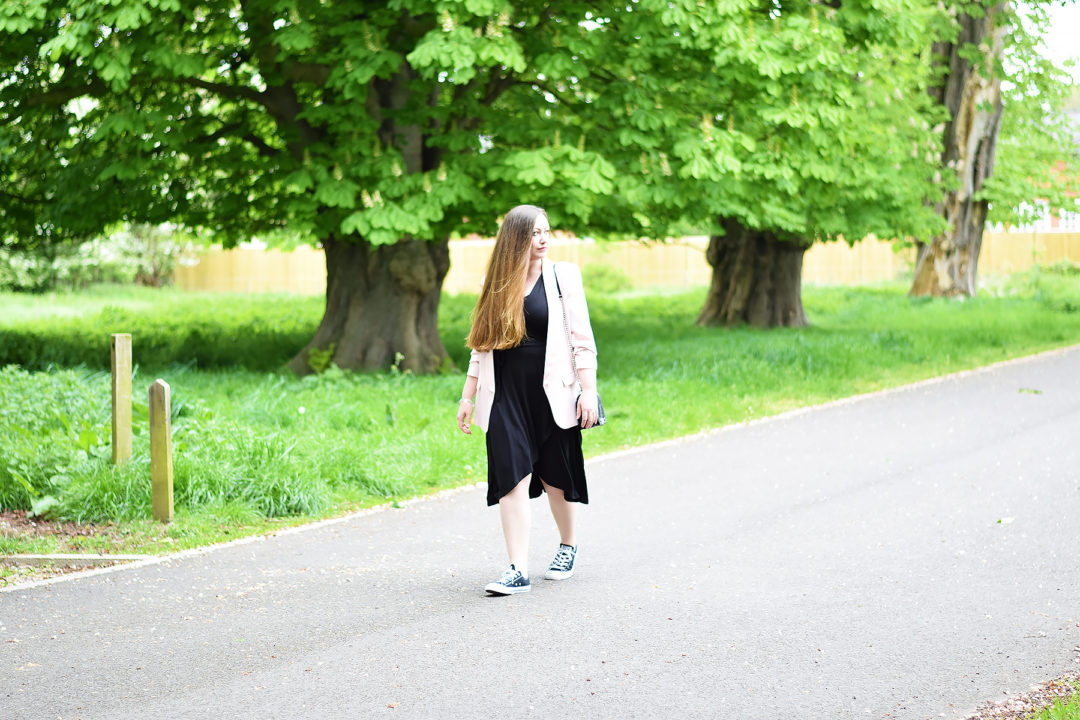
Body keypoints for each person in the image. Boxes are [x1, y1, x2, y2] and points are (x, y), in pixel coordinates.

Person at [456, 204, 600, 596]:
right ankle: (516, 569)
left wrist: (589, 391)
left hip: (552, 392)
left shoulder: (562, 276)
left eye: (547, 232)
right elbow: (480, 344)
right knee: (511, 475)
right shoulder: (496, 280)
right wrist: (467, 396)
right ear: (516, 237)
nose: (543, 239)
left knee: (556, 478)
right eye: (535, 233)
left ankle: (567, 546)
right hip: (504, 394)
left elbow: (582, 340)